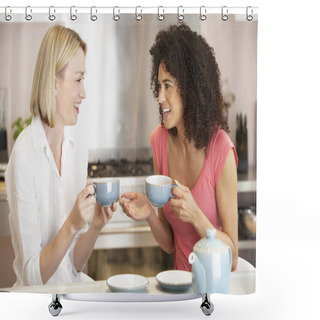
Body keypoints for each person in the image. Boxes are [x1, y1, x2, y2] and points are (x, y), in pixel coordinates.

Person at [5, 25, 118, 287]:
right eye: (78, 80)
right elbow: (33, 278)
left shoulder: (77, 147)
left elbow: (74, 266)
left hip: (72, 294)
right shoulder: (23, 158)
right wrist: (71, 225)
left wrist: (94, 227)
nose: (83, 93)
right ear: (55, 83)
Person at [120, 23, 238, 272]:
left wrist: (196, 215)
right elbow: (170, 244)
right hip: (180, 292)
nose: (159, 97)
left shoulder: (221, 150)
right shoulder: (159, 141)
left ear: (192, 88)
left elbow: (233, 256)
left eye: (168, 85)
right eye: (158, 85)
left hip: (214, 292)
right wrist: (150, 214)